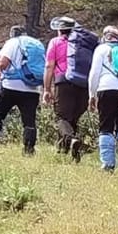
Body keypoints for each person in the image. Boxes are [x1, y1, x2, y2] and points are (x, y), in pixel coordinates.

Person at [0, 24, 45, 154]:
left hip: (12, 86)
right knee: (29, 120)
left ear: (12, 34)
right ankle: (29, 149)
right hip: (33, 88)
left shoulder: (12, 43)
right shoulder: (37, 44)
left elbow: (3, 64)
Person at [44, 16, 93, 161]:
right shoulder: (84, 44)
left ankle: (71, 141)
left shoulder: (56, 42)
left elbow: (49, 66)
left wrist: (47, 88)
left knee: (61, 117)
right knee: (72, 119)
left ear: (59, 30)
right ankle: (66, 151)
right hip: (84, 84)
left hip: (63, 82)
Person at [88, 26, 118, 170]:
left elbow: (94, 74)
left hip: (105, 89)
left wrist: (91, 95)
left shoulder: (101, 49)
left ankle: (108, 163)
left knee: (106, 126)